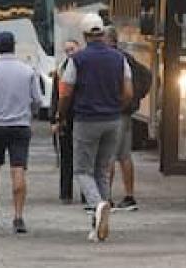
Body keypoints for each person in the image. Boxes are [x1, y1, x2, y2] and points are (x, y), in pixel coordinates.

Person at [56, 14, 132, 242]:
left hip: (86, 120)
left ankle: (97, 204)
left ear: (85, 35)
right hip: (113, 120)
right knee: (102, 170)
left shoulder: (77, 60)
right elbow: (128, 92)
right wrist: (117, 106)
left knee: (82, 170)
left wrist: (61, 114)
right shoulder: (119, 59)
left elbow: (66, 91)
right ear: (101, 33)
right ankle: (98, 223)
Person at [0, 31, 42, 234]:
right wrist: (27, 114)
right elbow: (38, 100)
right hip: (20, 126)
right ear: (14, 46)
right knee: (18, 169)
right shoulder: (27, 71)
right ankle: (18, 216)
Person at [105, 27, 151, 211]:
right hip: (126, 114)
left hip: (113, 112)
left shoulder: (111, 60)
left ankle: (106, 197)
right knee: (125, 156)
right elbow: (147, 75)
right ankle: (129, 195)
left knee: (108, 156)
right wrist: (136, 98)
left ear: (109, 41)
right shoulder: (128, 58)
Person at [50, 39, 81, 203]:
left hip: (80, 118)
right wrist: (54, 120)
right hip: (64, 119)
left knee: (82, 159)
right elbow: (55, 97)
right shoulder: (60, 70)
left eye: (72, 49)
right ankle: (65, 193)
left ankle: (85, 194)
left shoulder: (83, 68)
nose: (70, 52)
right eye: (67, 49)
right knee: (66, 158)